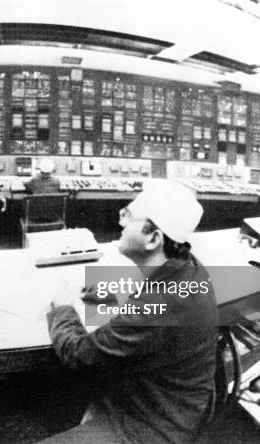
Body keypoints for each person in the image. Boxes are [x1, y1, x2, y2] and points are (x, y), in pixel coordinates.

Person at [42, 180, 219, 443]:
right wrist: (118, 292)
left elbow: (78, 353)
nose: (120, 218)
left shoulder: (154, 308)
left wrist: (64, 308)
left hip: (150, 424)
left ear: (153, 239)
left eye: (129, 215)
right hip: (174, 400)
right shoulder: (189, 266)